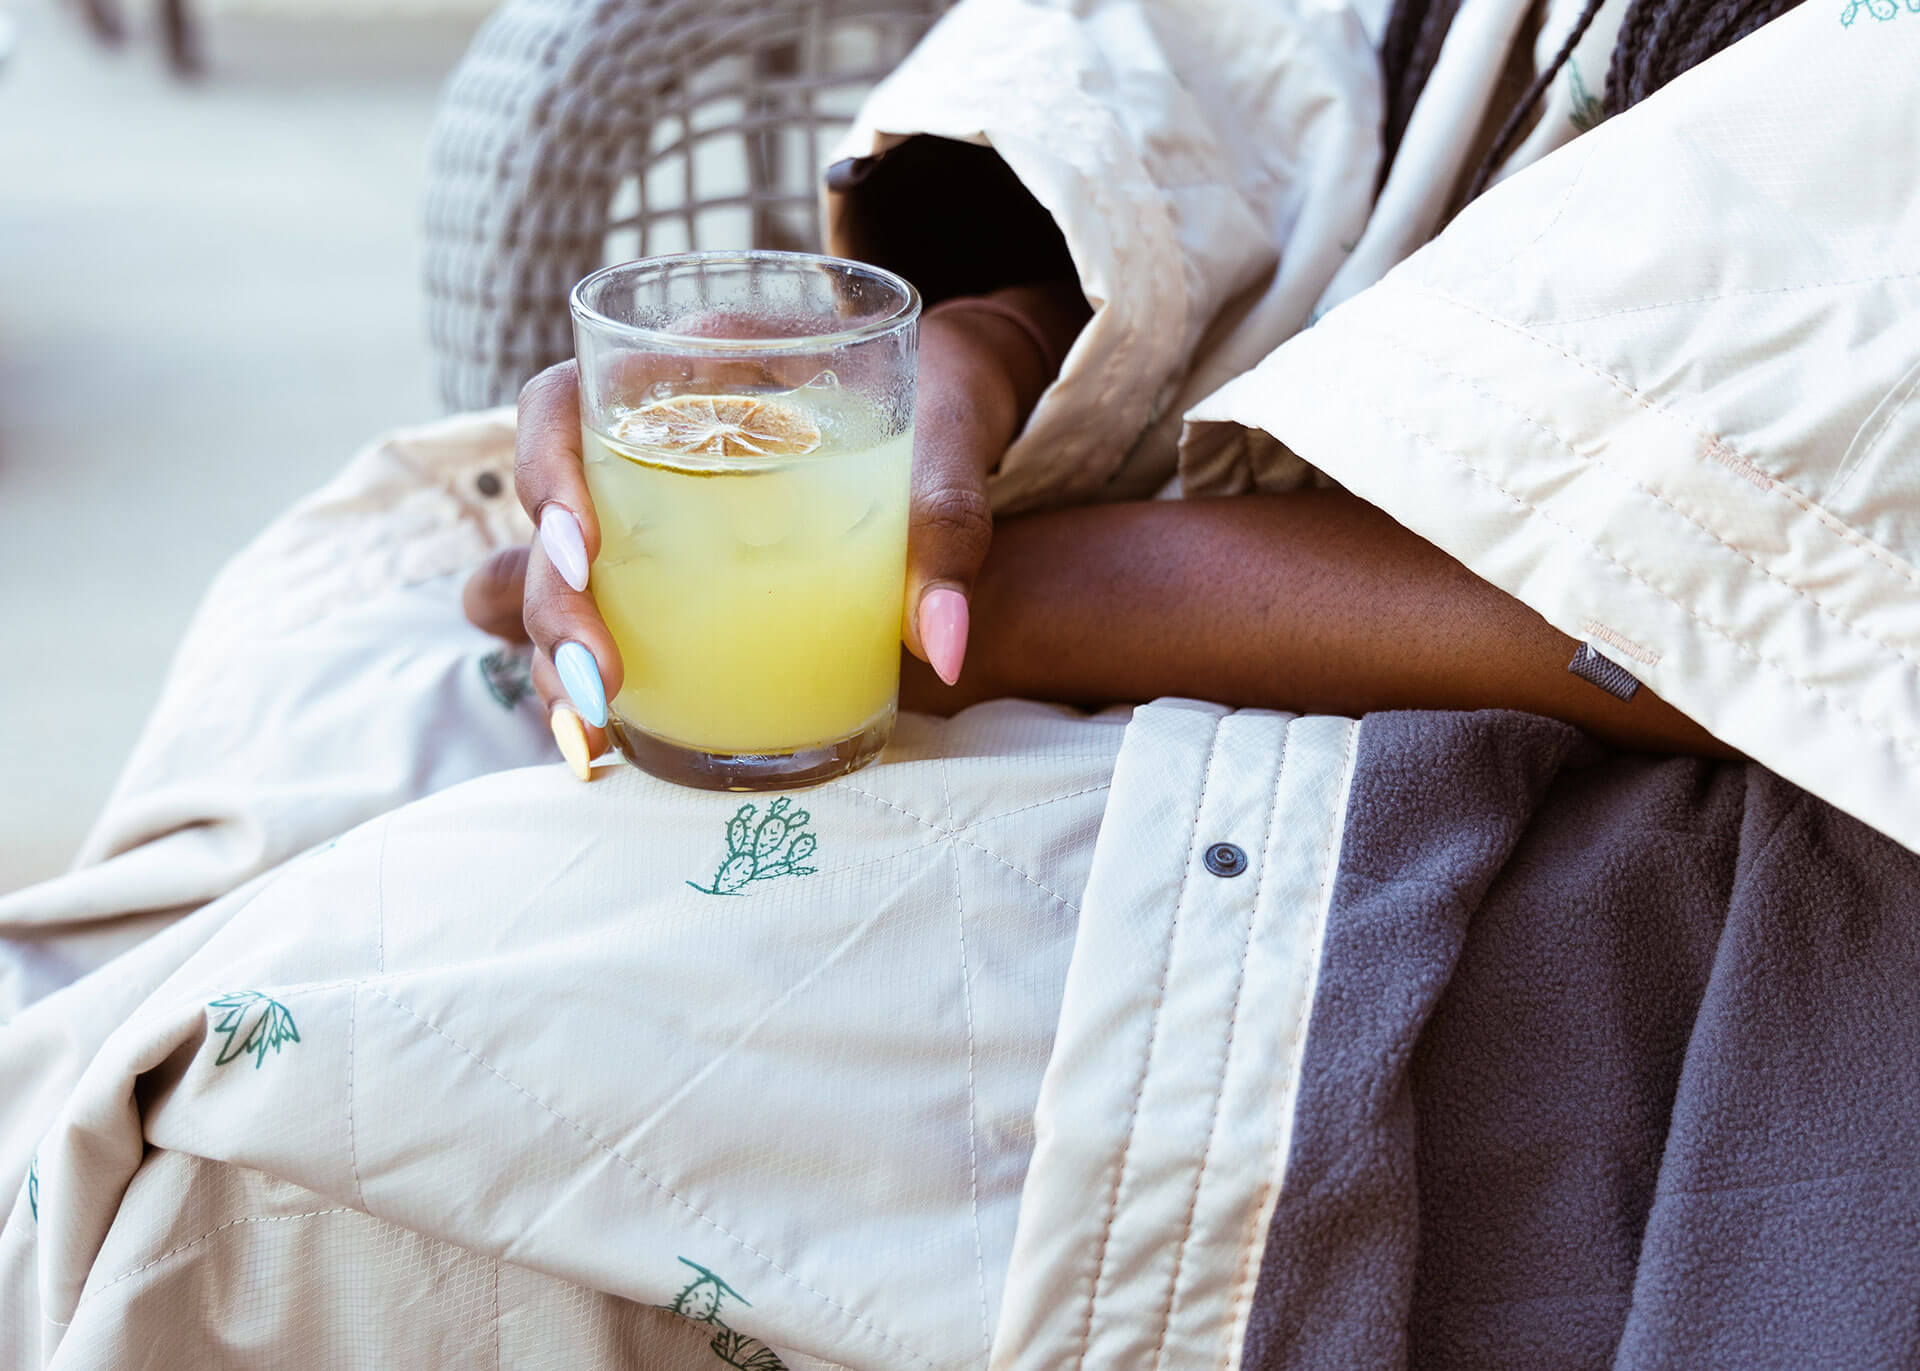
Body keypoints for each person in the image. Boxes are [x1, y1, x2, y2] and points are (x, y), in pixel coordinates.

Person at [6, 0, 1920, 1366]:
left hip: (1693, 805)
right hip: (1184, 481)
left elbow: (1826, 567)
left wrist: (989, 607)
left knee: (305, 1091)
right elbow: (1258, 53)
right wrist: (1001, 315)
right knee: (345, 647)